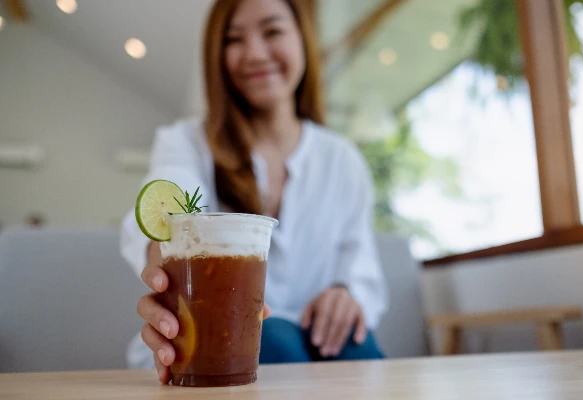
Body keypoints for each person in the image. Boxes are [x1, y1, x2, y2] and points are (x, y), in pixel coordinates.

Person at [120, 0, 387, 384]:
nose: (255, 54)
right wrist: (165, 268)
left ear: (303, 40)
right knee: (272, 336)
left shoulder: (342, 160)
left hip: (319, 341)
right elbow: (167, 208)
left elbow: (360, 263)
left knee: (359, 345)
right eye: (233, 39)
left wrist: (346, 292)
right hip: (221, 335)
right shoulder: (187, 143)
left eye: (273, 31)